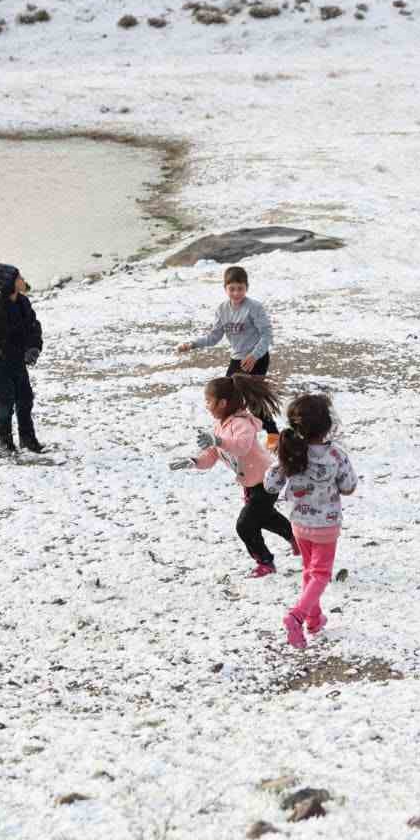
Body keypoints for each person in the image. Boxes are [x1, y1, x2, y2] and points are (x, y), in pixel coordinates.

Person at [169, 374, 297, 578]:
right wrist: (193, 462)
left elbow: (241, 447)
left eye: (209, 401)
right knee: (265, 517)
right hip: (250, 483)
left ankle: (265, 562)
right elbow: (211, 456)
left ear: (222, 403)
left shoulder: (242, 424)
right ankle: (296, 538)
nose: (206, 406)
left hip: (267, 480)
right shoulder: (220, 426)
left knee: (245, 525)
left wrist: (218, 441)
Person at [264, 394, 357, 649]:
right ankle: (297, 616)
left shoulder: (291, 452)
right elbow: (349, 486)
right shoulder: (336, 454)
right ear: (327, 425)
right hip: (326, 524)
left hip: (299, 523)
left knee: (309, 571)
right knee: (321, 574)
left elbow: (270, 485)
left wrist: (280, 460)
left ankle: (314, 620)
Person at [175, 265, 280, 443]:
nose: (236, 293)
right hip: (237, 358)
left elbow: (267, 335)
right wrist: (192, 344)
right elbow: (214, 337)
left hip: (257, 359)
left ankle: (273, 434)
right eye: (232, 289)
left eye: (240, 288)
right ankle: (232, 432)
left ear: (246, 287)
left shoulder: (254, 307)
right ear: (225, 288)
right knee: (226, 396)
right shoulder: (222, 310)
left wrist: (254, 355)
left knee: (253, 400)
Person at [0, 262, 44, 459]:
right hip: (0, 365)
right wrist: (22, 355)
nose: (22, 280)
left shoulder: (23, 302)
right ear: (9, 283)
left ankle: (27, 438)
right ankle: (5, 443)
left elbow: (34, 327)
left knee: (25, 399)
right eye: (18, 278)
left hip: (18, 362)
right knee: (5, 404)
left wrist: (34, 347)